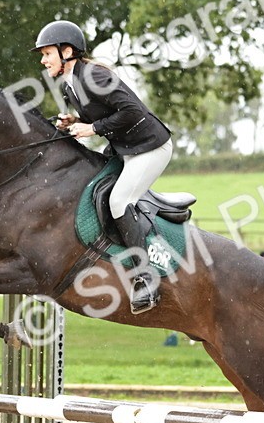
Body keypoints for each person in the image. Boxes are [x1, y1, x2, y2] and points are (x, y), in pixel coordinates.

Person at [33, 20, 173, 313]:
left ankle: (145, 278)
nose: (43, 60)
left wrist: (92, 128)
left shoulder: (94, 74)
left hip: (150, 147)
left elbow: (132, 111)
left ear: (67, 51)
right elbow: (102, 111)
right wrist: (74, 120)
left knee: (119, 200)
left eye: (47, 54)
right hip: (126, 150)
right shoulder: (70, 84)